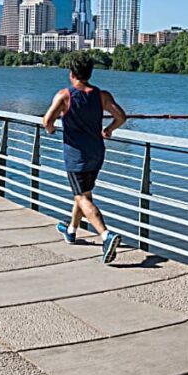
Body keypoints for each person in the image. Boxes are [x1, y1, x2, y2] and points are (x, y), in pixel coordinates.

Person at [43, 53, 127, 264]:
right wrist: (108, 130)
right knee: (82, 193)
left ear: (71, 74)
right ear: (89, 73)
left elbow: (47, 120)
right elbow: (121, 117)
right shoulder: (102, 95)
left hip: (75, 155)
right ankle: (71, 231)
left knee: (83, 197)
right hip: (97, 153)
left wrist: (52, 129)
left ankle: (106, 236)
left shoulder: (64, 96)